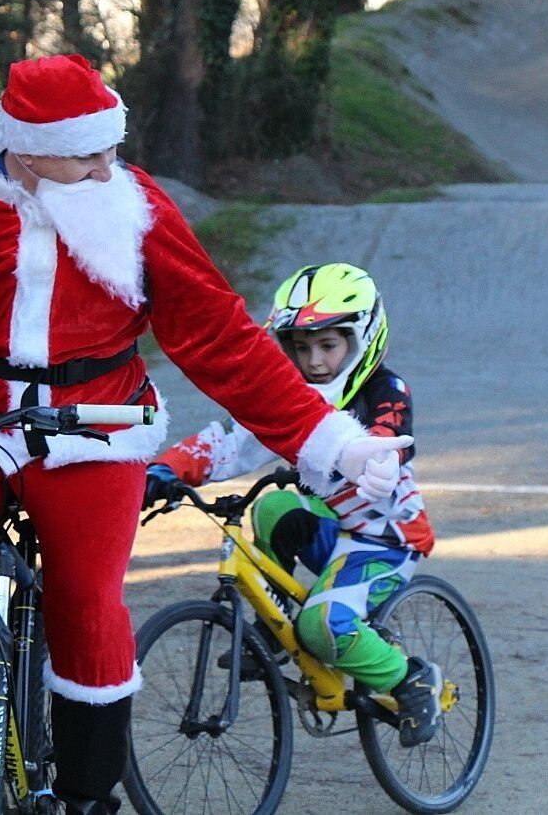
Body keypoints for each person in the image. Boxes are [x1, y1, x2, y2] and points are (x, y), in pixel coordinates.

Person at [0, 55, 410, 814]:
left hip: (98, 427)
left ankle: (83, 788)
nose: (111, 167)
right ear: (30, 150)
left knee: (86, 594)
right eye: (89, 154)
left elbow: (222, 339)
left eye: (113, 147)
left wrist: (331, 440)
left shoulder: (136, 207)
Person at [143, 263, 443, 747]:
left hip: (386, 541)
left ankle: (412, 679)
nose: (315, 361)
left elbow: (392, 435)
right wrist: (165, 471)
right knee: (270, 509)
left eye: (329, 345)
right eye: (301, 348)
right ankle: (272, 624)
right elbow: (230, 442)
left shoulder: (385, 389)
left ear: (363, 339)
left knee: (322, 626)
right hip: (334, 531)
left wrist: (381, 457)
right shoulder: (290, 397)